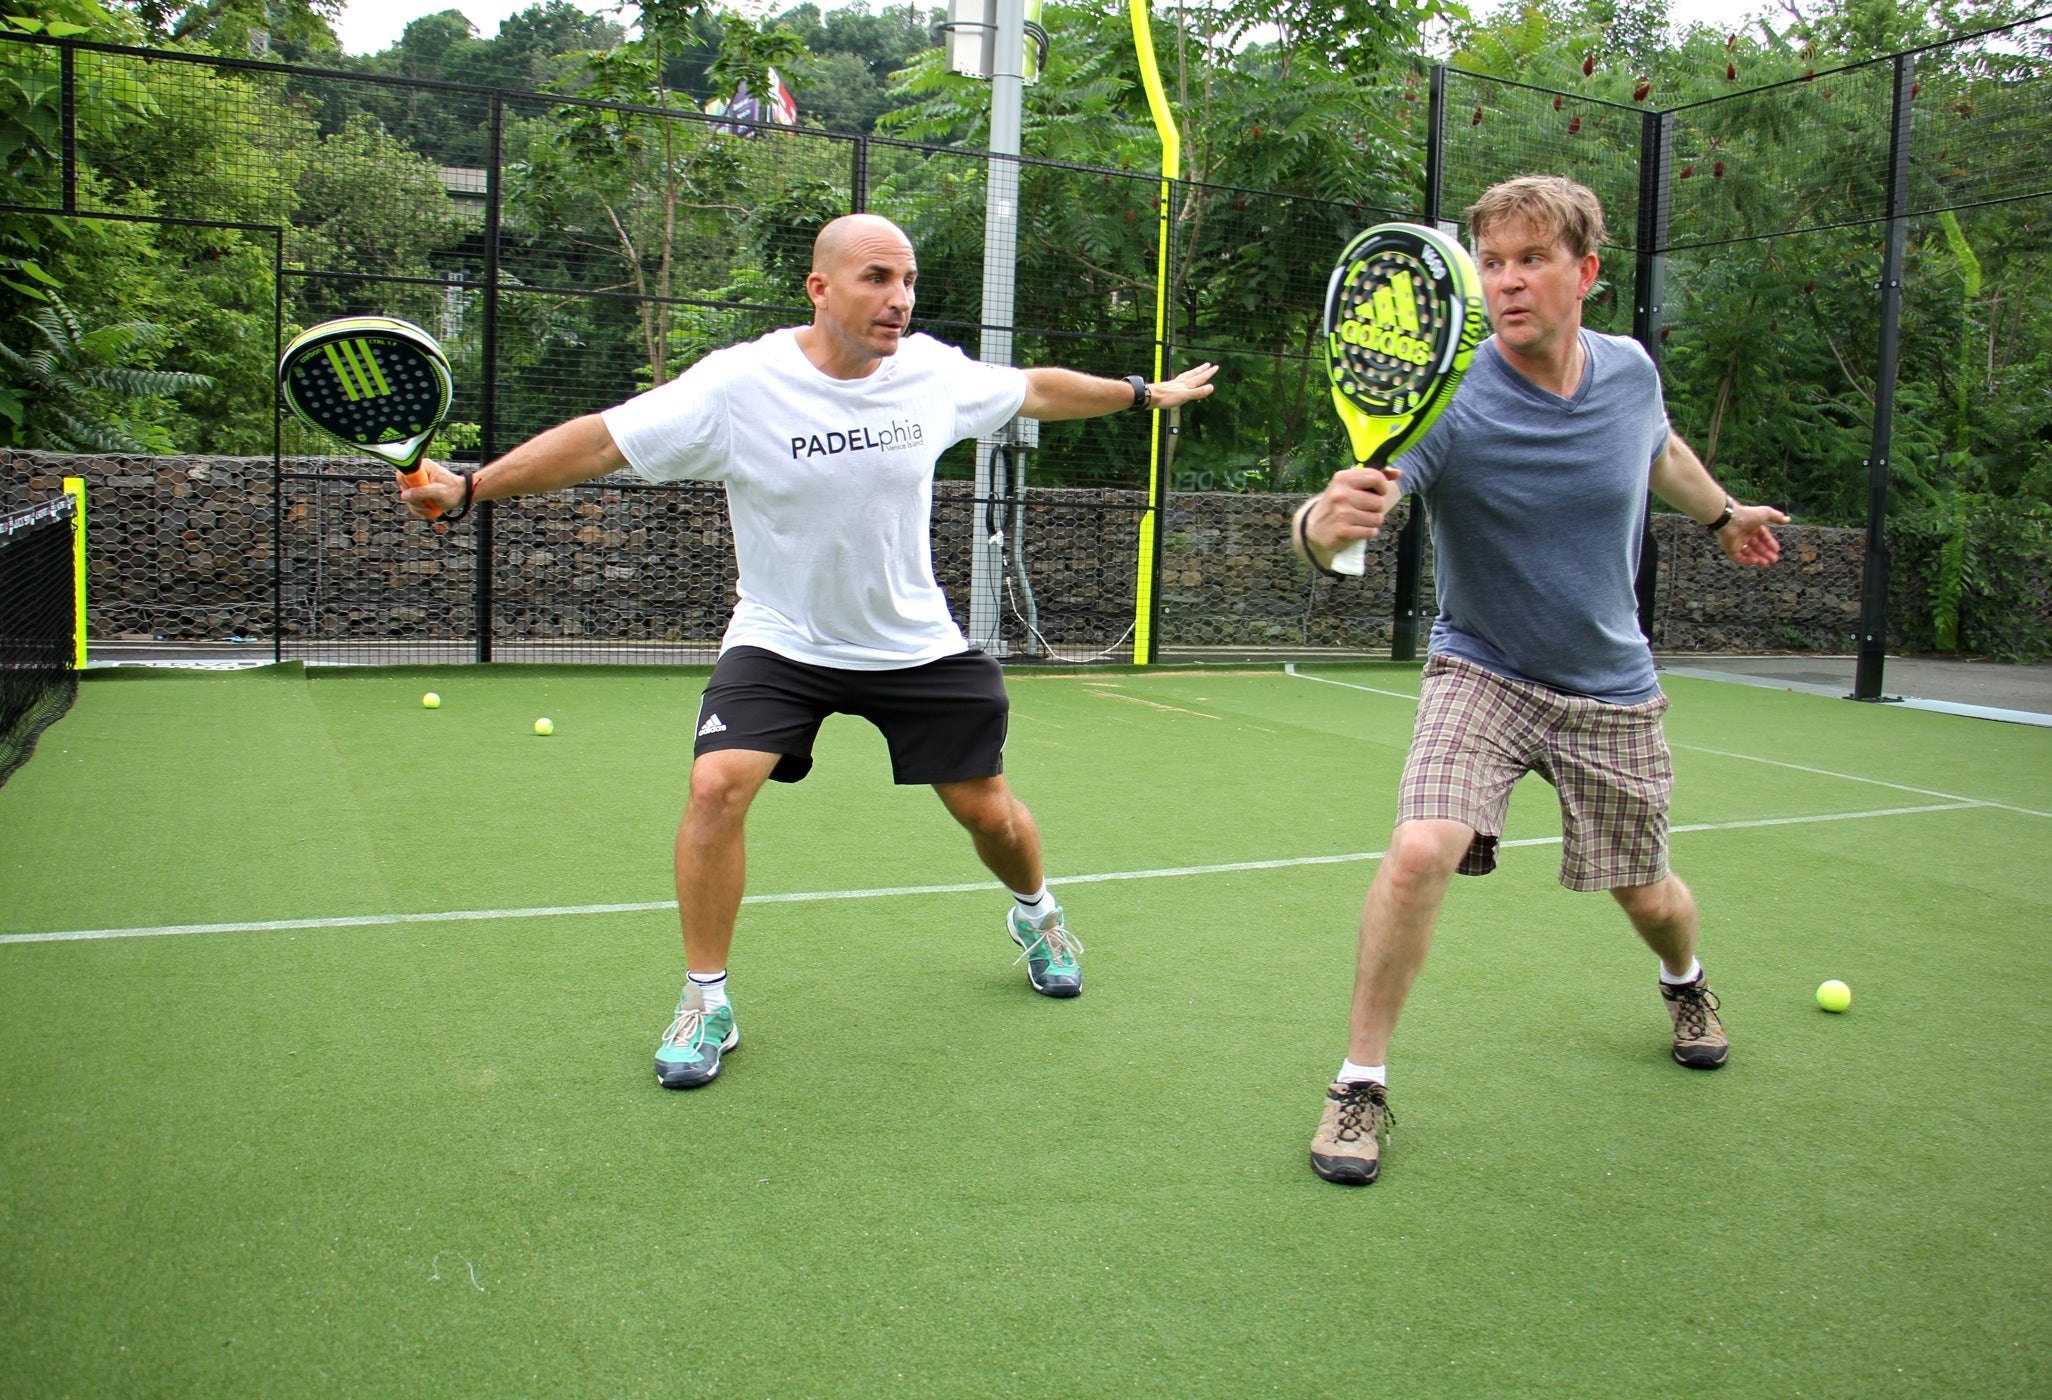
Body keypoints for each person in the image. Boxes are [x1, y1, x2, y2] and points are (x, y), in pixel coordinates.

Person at [401, 213, 1217, 1089]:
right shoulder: (738, 384)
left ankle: (1037, 912)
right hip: (782, 637)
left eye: (906, 281)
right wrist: (472, 486)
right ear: (820, 288)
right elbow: (603, 440)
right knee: (716, 785)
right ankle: (705, 999)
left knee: (989, 815)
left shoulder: (931, 373)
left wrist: (1141, 392)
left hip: (914, 645)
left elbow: (1035, 390)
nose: (898, 299)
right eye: (876, 278)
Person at [1291, 175, 1789, 1185]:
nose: (1509, 281)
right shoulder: (1452, 399)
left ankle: (1685, 981)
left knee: (1649, 896)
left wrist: (1722, 514)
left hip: (1610, 684)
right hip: (1483, 664)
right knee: (1421, 846)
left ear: (1585, 273)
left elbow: (1658, 450)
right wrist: (1320, 525)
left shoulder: (1631, 372)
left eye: (1531, 259)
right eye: (1494, 263)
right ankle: (1360, 1084)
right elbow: (1355, 502)